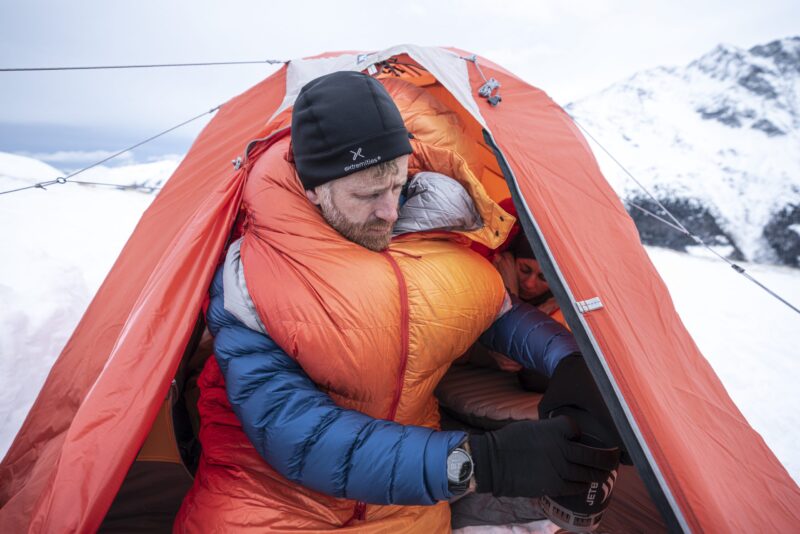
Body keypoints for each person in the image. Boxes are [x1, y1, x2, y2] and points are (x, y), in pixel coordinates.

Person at [175, 71, 621, 532]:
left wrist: (572, 362)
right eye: (368, 194)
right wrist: (479, 462)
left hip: (409, 500)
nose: (389, 210)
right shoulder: (250, 278)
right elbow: (296, 435)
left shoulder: (423, 228)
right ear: (313, 189)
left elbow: (489, 311)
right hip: (269, 499)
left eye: (397, 184)